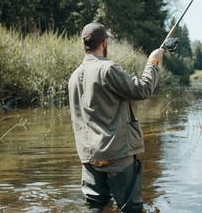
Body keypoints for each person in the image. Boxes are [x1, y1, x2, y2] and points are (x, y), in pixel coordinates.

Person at [68, 22, 164, 212]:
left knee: (95, 206)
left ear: (84, 45)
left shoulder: (73, 77)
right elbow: (142, 89)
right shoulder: (108, 69)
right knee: (132, 209)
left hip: (89, 157)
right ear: (104, 43)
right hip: (117, 155)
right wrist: (153, 62)